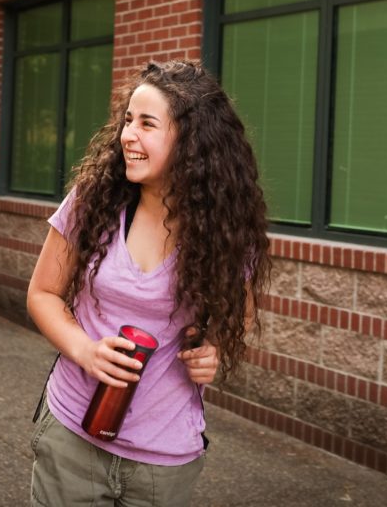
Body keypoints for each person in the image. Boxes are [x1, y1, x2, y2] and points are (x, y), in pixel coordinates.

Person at [27, 60, 272, 506]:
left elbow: (241, 310)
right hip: (72, 438)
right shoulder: (92, 202)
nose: (127, 136)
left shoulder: (225, 231)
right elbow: (42, 294)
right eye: (127, 121)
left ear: (192, 142)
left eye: (147, 124)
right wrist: (85, 350)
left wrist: (212, 347)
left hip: (165, 457)